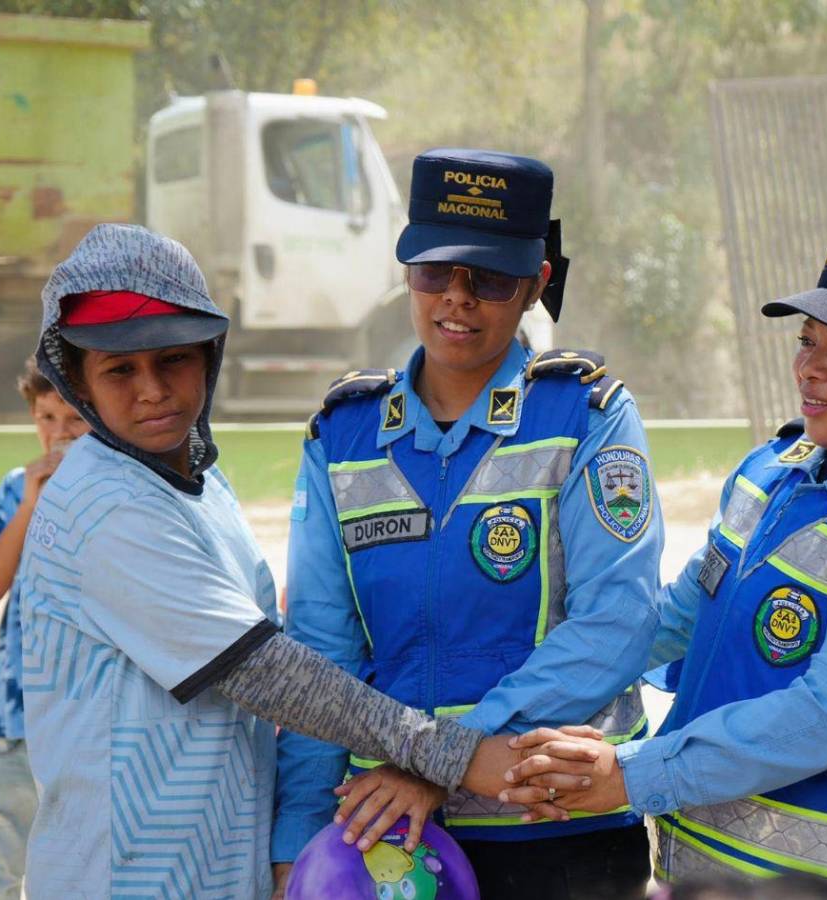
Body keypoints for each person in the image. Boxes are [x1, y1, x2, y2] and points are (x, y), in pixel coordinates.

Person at [16, 223, 583, 900]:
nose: (153, 391)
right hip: (123, 874)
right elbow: (271, 674)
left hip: (211, 867)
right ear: (76, 382)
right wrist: (458, 755)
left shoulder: (192, 484)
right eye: (119, 370)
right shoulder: (105, 506)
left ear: (209, 355)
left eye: (173, 360)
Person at [499, 229, 827, 898]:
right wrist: (505, 699)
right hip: (709, 867)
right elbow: (665, 623)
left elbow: (826, 716)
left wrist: (626, 774)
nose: (810, 368)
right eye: (807, 341)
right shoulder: (772, 473)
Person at [272, 149, 664, 900]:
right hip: (385, 848)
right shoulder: (341, 435)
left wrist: (437, 758)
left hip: (557, 833)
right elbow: (321, 655)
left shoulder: (587, 417)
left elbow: (618, 622)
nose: (457, 299)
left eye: (489, 279)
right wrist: (295, 841)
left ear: (536, 286)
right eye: (434, 273)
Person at [0, 357, 88, 899]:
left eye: (73, 419)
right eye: (46, 418)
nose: (58, 433)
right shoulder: (17, 487)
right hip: (12, 718)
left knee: (74, 873)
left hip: (83, 721)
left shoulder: (117, 494)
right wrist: (33, 504)